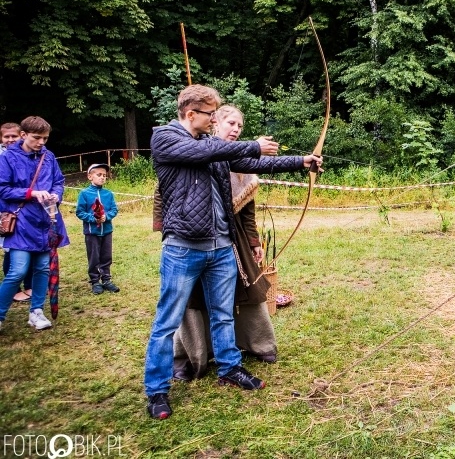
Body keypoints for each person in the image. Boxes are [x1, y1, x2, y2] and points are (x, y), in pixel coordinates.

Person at [144, 84, 321, 420]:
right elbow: (202, 155)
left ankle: (229, 368)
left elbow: (252, 163)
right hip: (182, 248)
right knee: (166, 322)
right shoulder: (165, 138)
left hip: (220, 247)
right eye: (211, 114)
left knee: (224, 313)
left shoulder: (210, 144)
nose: (215, 120)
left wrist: (302, 161)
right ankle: (156, 391)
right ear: (191, 113)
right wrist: (254, 144)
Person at [172, 105, 281, 382]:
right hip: (193, 239)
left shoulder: (240, 159)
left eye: (240, 126)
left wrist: (254, 241)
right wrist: (169, 231)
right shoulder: (193, 150)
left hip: (233, 238)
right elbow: (168, 195)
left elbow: (247, 210)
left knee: (248, 289)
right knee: (194, 297)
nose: (236, 129)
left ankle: (257, 343)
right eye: (231, 123)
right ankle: (194, 353)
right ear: (215, 123)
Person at [0, 116, 69, 331]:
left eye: (45, 138)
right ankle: (0, 315)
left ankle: (36, 312)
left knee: (42, 268)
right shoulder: (8, 158)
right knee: (18, 271)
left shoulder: (49, 157)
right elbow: (2, 189)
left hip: (46, 220)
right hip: (21, 221)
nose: (41, 142)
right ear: (23, 135)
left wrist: (56, 195)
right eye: (36, 138)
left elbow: (58, 181)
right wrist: (31, 193)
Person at [0, 123, 33, 303]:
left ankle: (29, 286)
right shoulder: (3, 158)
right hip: (5, 212)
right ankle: (13, 289)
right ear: (1, 138)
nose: (11, 140)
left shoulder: (27, 155)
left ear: (21, 135)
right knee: (10, 250)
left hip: (23, 209)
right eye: (7, 137)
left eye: (14, 136)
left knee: (28, 249)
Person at [75, 163, 119, 295]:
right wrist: (93, 218)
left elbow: (114, 209)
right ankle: (95, 281)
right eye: (99, 175)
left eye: (104, 175)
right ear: (90, 176)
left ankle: (106, 279)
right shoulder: (84, 194)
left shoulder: (108, 194)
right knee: (94, 256)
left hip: (106, 231)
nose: (102, 178)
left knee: (106, 256)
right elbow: (80, 212)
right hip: (92, 232)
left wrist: (107, 216)